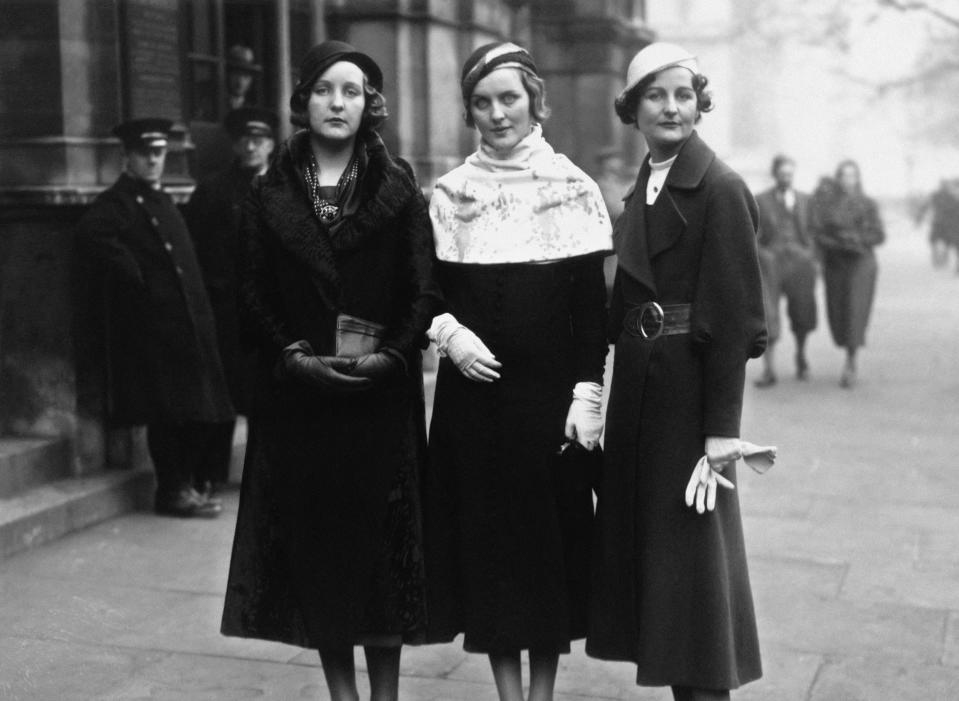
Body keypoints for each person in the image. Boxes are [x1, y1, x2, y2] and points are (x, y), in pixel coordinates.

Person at [219, 41, 441, 701]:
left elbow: (422, 288)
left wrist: (392, 355)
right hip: (301, 405)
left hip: (378, 404)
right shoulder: (269, 191)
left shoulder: (396, 185)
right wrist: (290, 354)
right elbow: (250, 292)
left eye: (351, 91)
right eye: (323, 90)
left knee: (383, 558)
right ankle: (343, 694)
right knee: (319, 556)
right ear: (304, 100)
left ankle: (384, 696)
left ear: (369, 103)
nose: (337, 103)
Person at [424, 42, 612, 701]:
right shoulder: (448, 193)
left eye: (508, 98)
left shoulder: (572, 188)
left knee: (544, 552)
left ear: (535, 101)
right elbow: (424, 292)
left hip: (545, 406)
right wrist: (448, 334)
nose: (496, 113)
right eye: (482, 102)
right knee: (490, 552)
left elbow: (591, 314)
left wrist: (586, 394)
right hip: (472, 410)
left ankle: (541, 695)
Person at [586, 43, 767, 700]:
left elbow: (736, 320)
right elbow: (620, 302)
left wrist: (720, 432)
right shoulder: (647, 181)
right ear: (632, 109)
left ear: (699, 104)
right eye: (655, 96)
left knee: (692, 581)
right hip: (641, 396)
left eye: (683, 94)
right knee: (665, 581)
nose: (670, 108)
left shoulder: (718, 188)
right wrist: (588, 385)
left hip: (687, 405)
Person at [76, 118, 234, 518]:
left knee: (197, 411)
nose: (153, 161)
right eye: (145, 154)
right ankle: (172, 491)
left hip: (187, 326)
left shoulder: (162, 199)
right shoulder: (120, 201)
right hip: (156, 330)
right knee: (169, 416)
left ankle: (188, 486)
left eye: (159, 153)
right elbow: (92, 235)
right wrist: (136, 275)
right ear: (127, 157)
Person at [185, 107, 278, 496]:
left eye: (259, 140)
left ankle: (264, 476)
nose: (251, 146)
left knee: (269, 397)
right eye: (244, 140)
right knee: (220, 395)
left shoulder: (288, 189)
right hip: (226, 311)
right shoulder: (212, 190)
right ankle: (210, 474)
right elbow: (195, 250)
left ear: (272, 145)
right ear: (235, 145)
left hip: (273, 312)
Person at [810, 159, 884, 388]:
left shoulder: (868, 204)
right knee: (838, 312)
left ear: (858, 178)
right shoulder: (826, 205)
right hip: (836, 263)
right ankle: (846, 346)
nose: (848, 180)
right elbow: (818, 233)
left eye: (852, 175)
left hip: (862, 262)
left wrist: (859, 240)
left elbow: (879, 234)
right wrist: (837, 243)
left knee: (855, 309)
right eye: (844, 176)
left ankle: (851, 362)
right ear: (838, 178)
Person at [754, 154, 818, 386]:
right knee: (768, 313)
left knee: (802, 311)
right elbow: (753, 235)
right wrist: (764, 254)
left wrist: (809, 254)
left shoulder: (805, 200)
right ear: (775, 175)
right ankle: (769, 369)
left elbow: (814, 231)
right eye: (782, 174)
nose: (786, 178)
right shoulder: (760, 200)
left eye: (790, 174)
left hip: (800, 263)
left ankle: (801, 355)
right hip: (771, 264)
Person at [226, 45, 261, 110]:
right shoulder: (215, 101)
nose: (240, 81)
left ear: (251, 79)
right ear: (228, 74)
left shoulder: (254, 107)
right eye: (236, 74)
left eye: (246, 76)